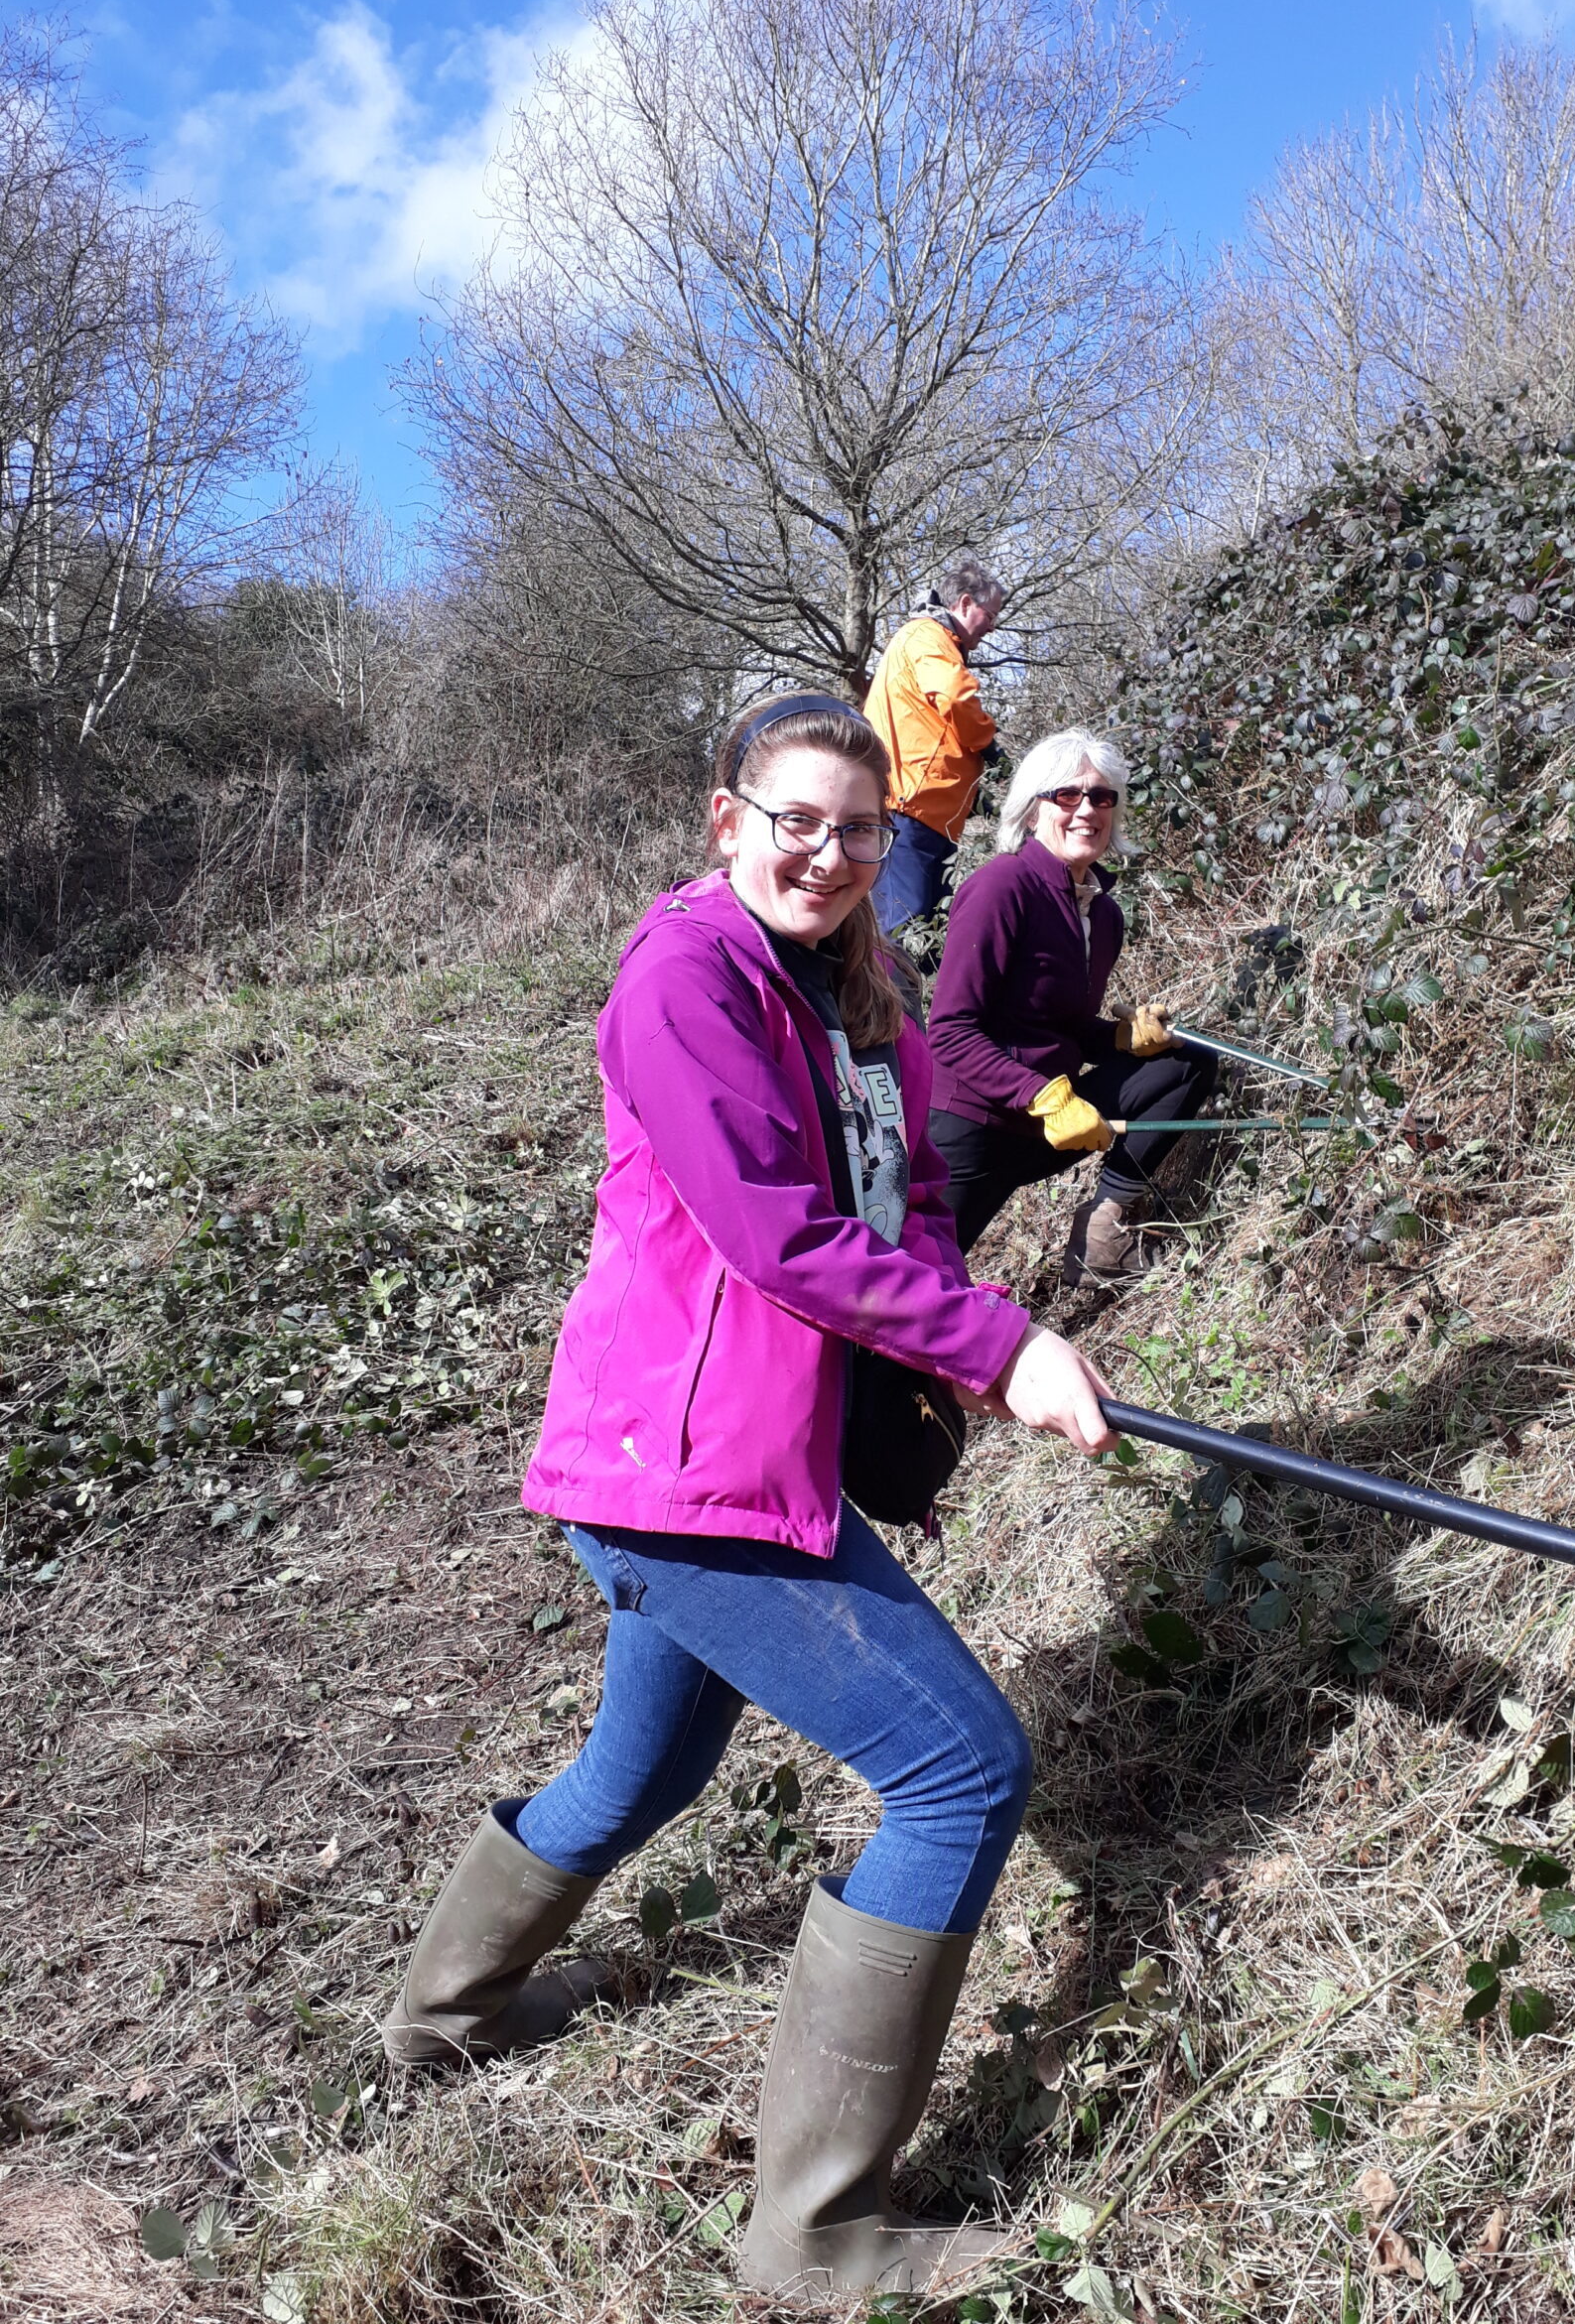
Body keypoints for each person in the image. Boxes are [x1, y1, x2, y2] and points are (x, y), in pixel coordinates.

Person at [381, 694, 1114, 2304]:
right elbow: (776, 1237)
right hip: (685, 1475)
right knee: (963, 1773)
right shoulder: (685, 982)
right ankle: (818, 2233)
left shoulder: (865, 984)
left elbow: (911, 1189)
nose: (833, 853)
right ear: (727, 821)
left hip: (751, 1463)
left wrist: (951, 1331)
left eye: (859, 828)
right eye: (797, 820)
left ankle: (445, 2021)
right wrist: (1005, 1343)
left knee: (643, 1767)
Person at [926, 729, 1220, 1281]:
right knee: (918, 1286)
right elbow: (950, 1030)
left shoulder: (1104, 916)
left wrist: (1115, 1039)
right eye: (1067, 795)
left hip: (1047, 1124)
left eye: (1102, 797)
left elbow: (1058, 1024)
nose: (1087, 809)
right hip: (970, 1128)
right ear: (1033, 811)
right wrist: (1038, 1094)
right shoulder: (1001, 887)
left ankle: (1104, 1236)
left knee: (1187, 1059)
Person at [864, 555, 1005, 932]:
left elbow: (933, 730)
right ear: (964, 603)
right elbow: (954, 697)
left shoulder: (929, 641)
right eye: (990, 616)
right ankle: (891, 994)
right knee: (903, 933)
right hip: (911, 812)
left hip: (927, 813)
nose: (992, 627)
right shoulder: (927, 635)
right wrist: (988, 743)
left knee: (924, 935)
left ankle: (913, 992)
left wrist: (972, 797)